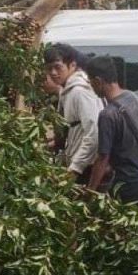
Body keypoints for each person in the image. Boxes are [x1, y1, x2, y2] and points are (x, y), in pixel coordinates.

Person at [84, 55, 138, 204]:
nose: (91, 88)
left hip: (126, 185)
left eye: (91, 83)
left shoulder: (107, 115)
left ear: (98, 81)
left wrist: (90, 192)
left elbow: (103, 159)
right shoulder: (132, 97)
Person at [44, 44, 103, 184]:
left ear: (72, 65)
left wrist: (75, 168)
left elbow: (94, 133)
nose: (53, 73)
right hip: (78, 164)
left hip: (85, 168)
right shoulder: (67, 91)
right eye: (49, 68)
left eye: (58, 67)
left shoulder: (80, 92)